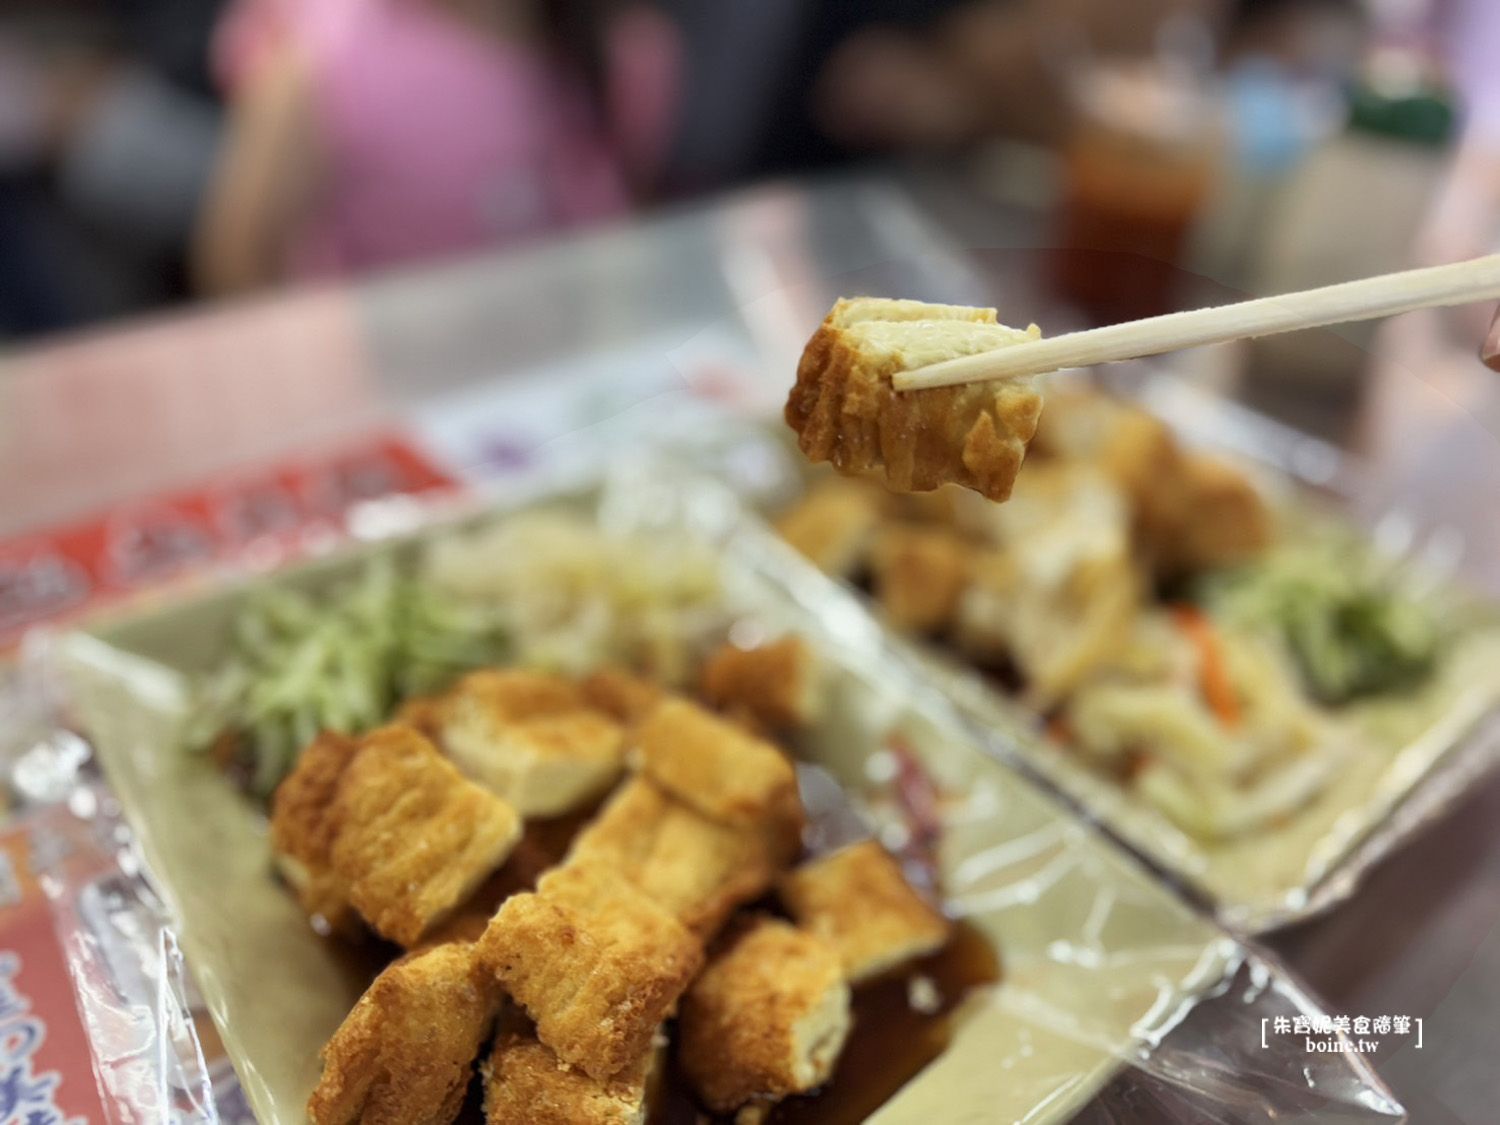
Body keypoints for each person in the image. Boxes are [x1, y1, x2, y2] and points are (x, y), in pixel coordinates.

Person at [193, 0, 679, 295]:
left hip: (551, 388)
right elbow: (239, 254)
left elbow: (624, 234)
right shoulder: (329, 57)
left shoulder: (627, 54)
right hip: (383, 388)